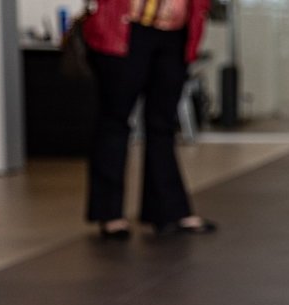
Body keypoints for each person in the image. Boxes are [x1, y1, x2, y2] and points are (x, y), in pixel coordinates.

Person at [83, 0, 217, 239]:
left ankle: (168, 211)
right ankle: (109, 214)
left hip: (176, 31)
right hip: (127, 27)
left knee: (163, 124)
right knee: (114, 120)